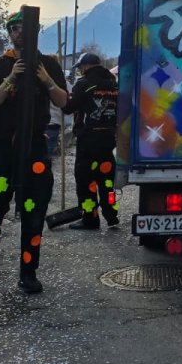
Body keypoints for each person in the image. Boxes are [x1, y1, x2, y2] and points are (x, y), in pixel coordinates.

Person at [0, 10, 68, 294]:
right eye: (14, 28)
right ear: (9, 33)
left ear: (35, 31)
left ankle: (28, 271)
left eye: (24, 28)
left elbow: (63, 101)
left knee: (34, 209)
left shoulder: (48, 64)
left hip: (34, 145)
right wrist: (11, 78)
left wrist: (47, 81)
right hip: (3, 145)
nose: (19, 33)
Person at [64, 53, 119, 231]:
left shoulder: (83, 84)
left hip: (88, 140)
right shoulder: (114, 83)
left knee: (86, 181)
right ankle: (111, 214)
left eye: (80, 67)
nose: (80, 70)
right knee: (107, 180)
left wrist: (64, 96)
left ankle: (90, 218)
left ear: (86, 66)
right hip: (109, 139)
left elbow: (68, 108)